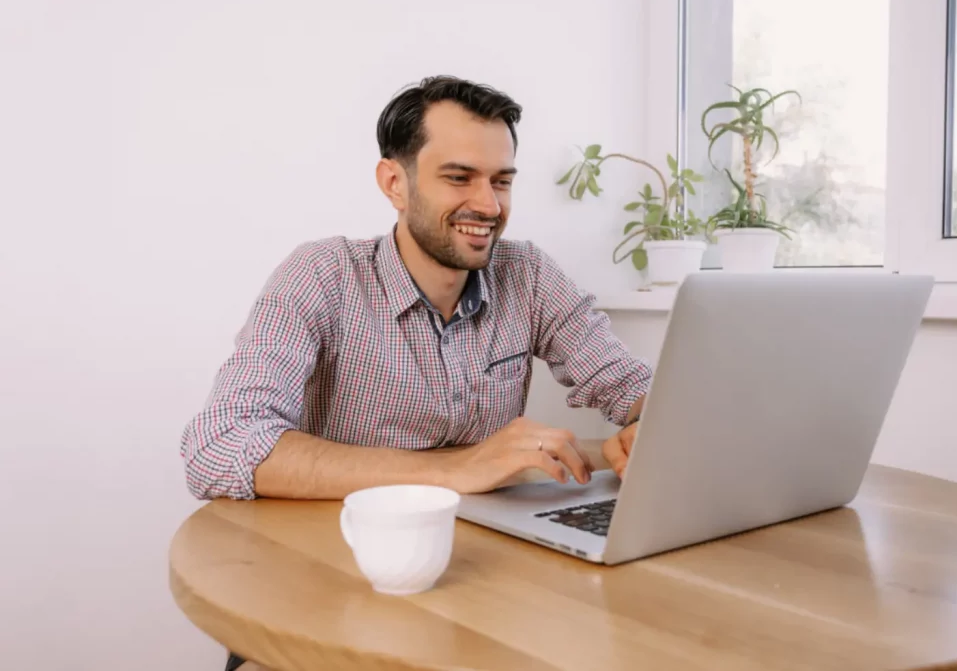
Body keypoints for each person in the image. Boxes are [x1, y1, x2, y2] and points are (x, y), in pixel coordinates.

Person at [180, 75, 652, 503]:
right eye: (459, 178)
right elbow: (220, 444)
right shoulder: (322, 275)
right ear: (394, 184)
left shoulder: (527, 274)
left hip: (486, 557)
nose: (488, 205)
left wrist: (643, 426)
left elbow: (636, 388)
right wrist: (455, 468)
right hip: (344, 558)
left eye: (501, 181)